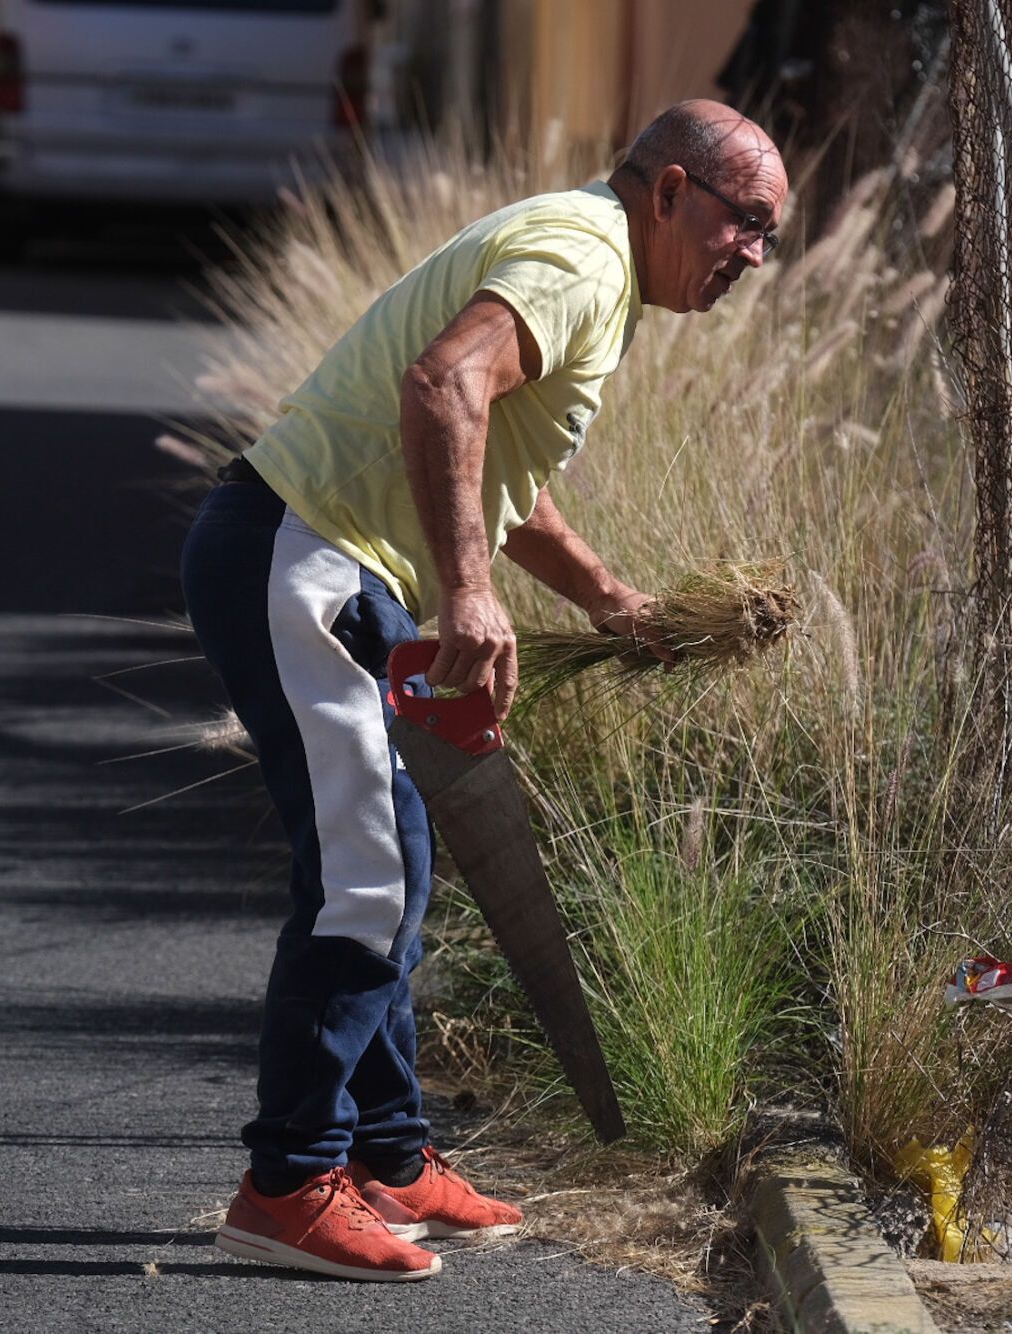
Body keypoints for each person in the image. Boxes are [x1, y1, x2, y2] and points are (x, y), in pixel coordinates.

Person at [182, 99, 787, 1282]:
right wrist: (467, 593)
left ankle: (389, 1159)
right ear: (667, 191)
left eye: (767, 237)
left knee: (392, 861)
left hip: (334, 561)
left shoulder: (594, 263)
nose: (752, 258)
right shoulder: (580, 256)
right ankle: (288, 1182)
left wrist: (608, 596)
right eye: (744, 224)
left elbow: (493, 447)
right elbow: (443, 387)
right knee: (367, 874)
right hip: (300, 555)